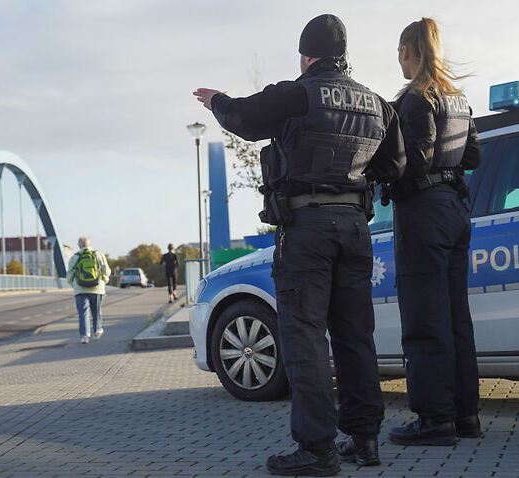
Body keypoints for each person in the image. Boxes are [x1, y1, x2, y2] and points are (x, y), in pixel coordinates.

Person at [194, 14, 405, 476]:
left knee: (305, 339)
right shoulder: (377, 103)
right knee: (354, 336)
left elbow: (244, 118)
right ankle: (365, 440)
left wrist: (216, 101)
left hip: (307, 229)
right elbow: (395, 165)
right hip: (354, 228)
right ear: (343, 55)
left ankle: (316, 450)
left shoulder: (296, 92)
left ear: (307, 55)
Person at [386, 18, 482, 446]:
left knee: (426, 321)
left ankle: (434, 421)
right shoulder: (458, 99)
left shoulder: (415, 99)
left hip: (423, 216)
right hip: (455, 212)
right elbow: (474, 156)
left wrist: (388, 178)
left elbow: (417, 160)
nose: (399, 61)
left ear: (410, 50)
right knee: (457, 319)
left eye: (400, 52)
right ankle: (466, 416)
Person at [67, 237, 111, 344]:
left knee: (83, 313)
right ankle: (97, 330)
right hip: (97, 288)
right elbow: (106, 270)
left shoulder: (75, 257)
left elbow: (69, 274)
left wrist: (74, 285)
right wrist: (103, 281)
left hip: (80, 289)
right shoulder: (98, 255)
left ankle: (84, 336)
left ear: (79, 245)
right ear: (89, 244)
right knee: (96, 311)